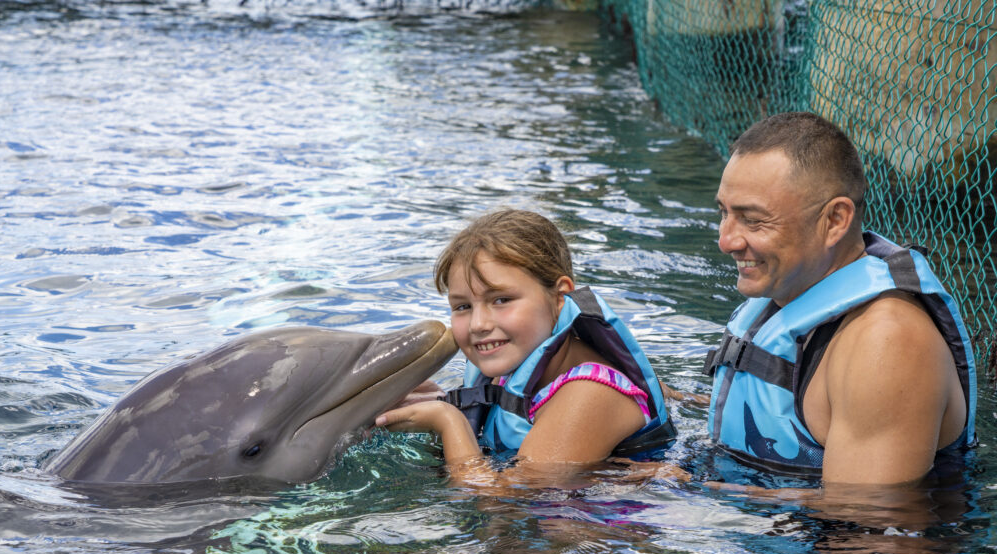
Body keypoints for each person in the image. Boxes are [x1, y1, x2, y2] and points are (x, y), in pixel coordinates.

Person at [704, 111, 976, 486]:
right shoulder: (787, 292)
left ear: (835, 221)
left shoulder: (886, 343)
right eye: (724, 213)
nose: (726, 241)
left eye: (753, 221)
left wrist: (685, 494)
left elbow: (863, 527)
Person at [375, 209, 679, 487]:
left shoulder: (590, 394)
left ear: (560, 296)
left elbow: (499, 501)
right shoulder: (518, 360)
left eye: (501, 300)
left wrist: (447, 421)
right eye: (463, 306)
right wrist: (447, 402)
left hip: (592, 536)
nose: (478, 323)